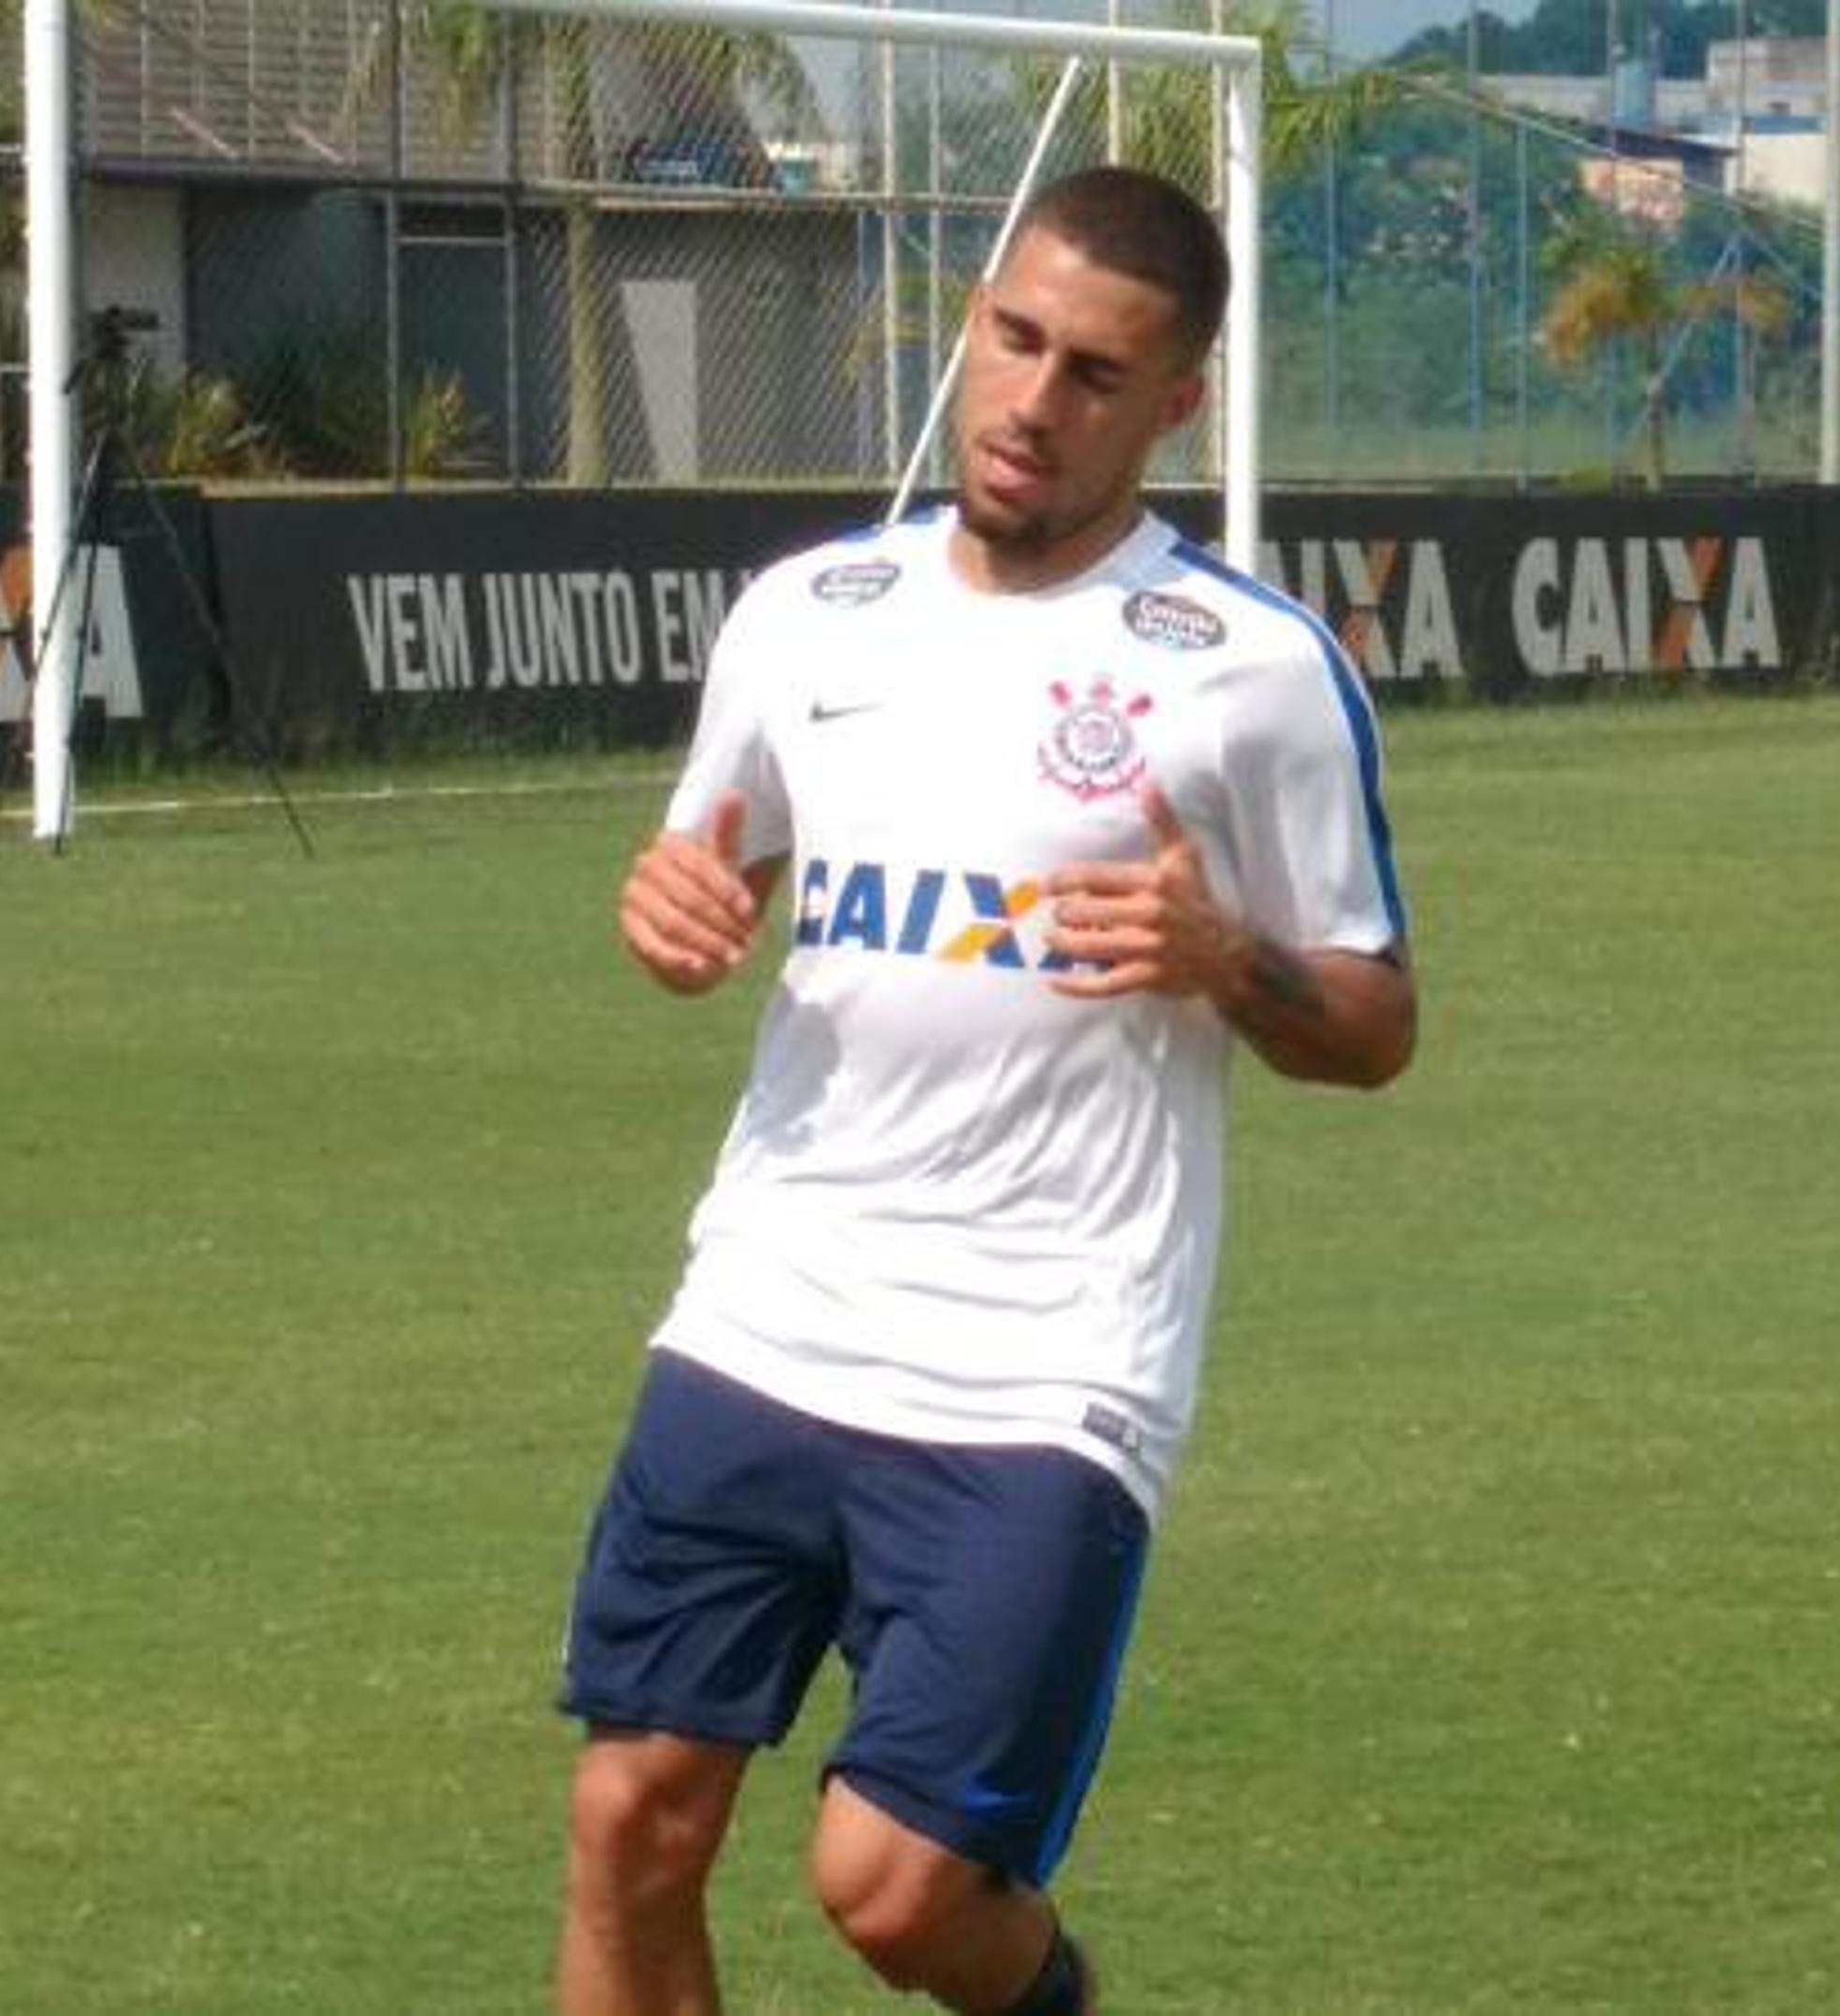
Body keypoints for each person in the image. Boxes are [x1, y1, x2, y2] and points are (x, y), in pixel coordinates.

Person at [559, 165, 1415, 2016]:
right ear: (972, 323)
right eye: (1015, 340)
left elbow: (1374, 1021)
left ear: (1175, 403)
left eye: (1097, 373)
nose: (1035, 400)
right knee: (631, 1819)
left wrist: (1230, 962)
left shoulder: (1251, 675)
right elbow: (706, 870)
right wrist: (670, 907)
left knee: (895, 1894)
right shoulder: (812, 616)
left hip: (1043, 1364)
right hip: (767, 1311)